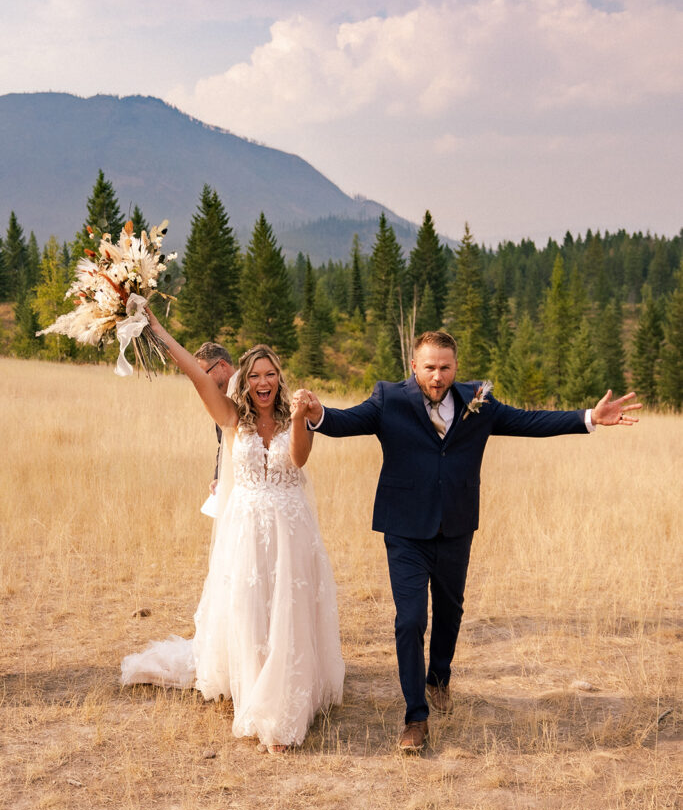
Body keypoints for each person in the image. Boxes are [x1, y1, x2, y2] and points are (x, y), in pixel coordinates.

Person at [296, 330, 641, 752]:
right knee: (409, 620)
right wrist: (318, 414)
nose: (437, 376)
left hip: (456, 525)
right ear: (413, 367)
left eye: (445, 367)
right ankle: (415, 717)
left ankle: (439, 676)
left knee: (450, 609)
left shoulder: (479, 400)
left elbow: (528, 422)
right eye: (429, 367)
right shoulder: (390, 399)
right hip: (404, 528)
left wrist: (588, 417)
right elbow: (344, 422)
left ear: (455, 366)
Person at [121, 310, 344, 754]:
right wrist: (157, 330)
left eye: (272, 374)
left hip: (290, 531)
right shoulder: (231, 417)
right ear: (244, 381)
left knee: (287, 612)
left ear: (280, 379)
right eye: (256, 375)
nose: (264, 382)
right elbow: (192, 371)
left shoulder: (291, 417)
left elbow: (298, 460)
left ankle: (282, 709)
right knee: (251, 612)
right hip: (246, 531)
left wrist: (300, 417)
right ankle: (256, 691)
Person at [194, 341, 236, 493]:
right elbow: (223, 442)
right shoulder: (219, 397)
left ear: (222, 365)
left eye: (206, 373)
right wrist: (218, 476)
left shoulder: (251, 389)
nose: (203, 381)